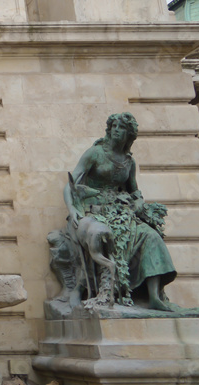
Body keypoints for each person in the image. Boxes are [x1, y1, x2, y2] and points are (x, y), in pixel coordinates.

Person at [64, 112, 176, 311]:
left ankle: (153, 296)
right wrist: (72, 209)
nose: (117, 130)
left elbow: (134, 190)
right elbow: (71, 185)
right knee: (104, 236)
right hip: (93, 211)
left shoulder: (128, 162)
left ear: (129, 134)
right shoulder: (95, 153)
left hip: (122, 213)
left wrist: (139, 201)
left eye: (122, 127)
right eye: (114, 126)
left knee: (152, 236)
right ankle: (93, 290)